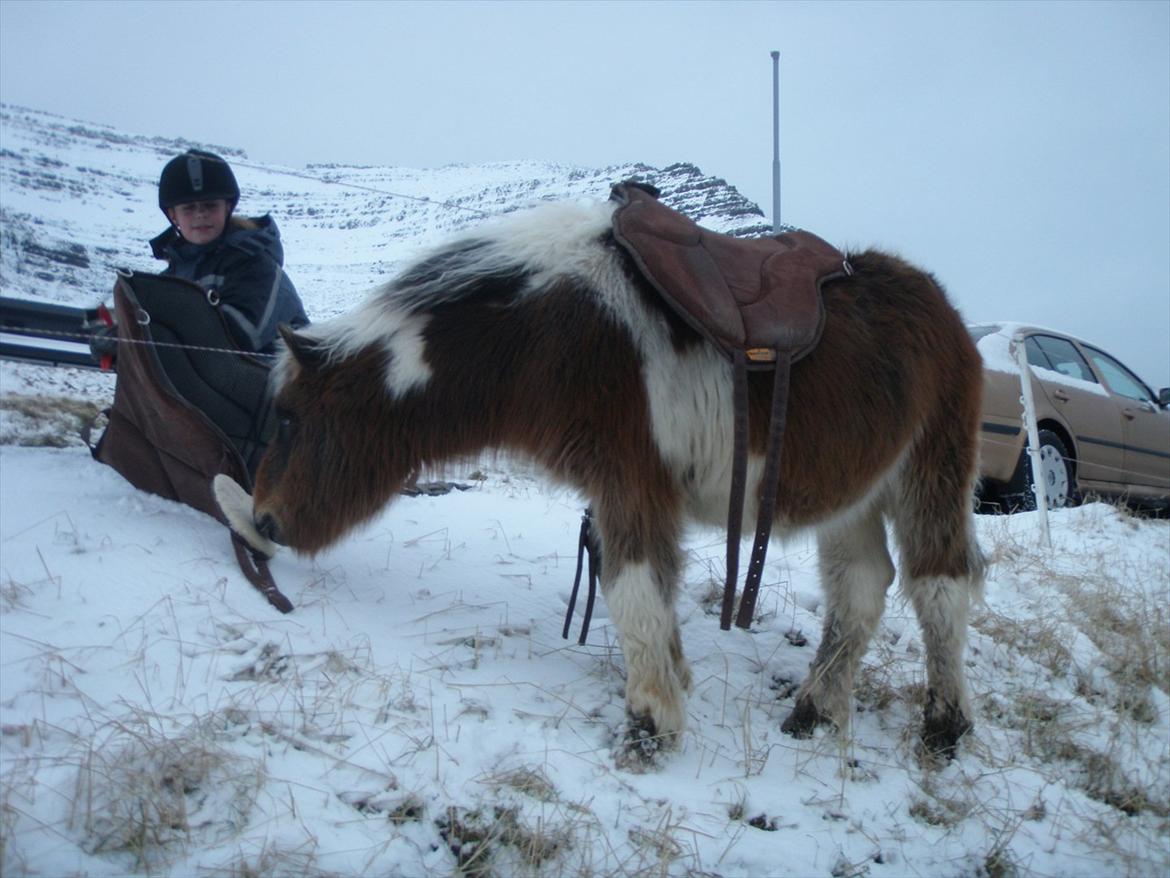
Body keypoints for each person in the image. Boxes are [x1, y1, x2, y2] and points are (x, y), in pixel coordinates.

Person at [150, 149, 309, 352]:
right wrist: (117, 338)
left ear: (227, 207)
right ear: (173, 216)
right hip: (208, 379)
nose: (200, 214)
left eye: (210, 205)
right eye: (188, 208)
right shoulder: (171, 277)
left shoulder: (256, 264)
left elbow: (242, 337)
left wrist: (156, 329)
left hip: (280, 378)